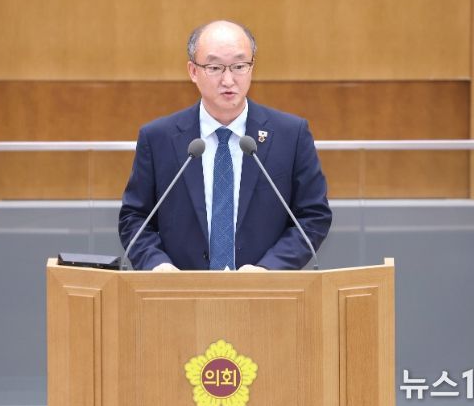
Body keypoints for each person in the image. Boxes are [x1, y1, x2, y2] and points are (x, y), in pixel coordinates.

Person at [119, 20, 332, 271]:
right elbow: (135, 218)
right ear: (193, 71)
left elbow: (312, 216)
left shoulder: (291, 135)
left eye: (239, 66)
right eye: (215, 67)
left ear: (252, 68)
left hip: (264, 290)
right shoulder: (158, 138)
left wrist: (269, 269)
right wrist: (157, 265)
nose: (228, 80)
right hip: (179, 289)